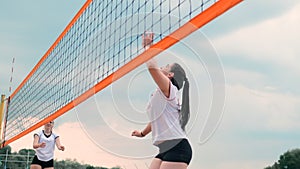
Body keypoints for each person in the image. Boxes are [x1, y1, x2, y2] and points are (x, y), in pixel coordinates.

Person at [132, 32, 192, 169]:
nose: (162, 67)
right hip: (164, 149)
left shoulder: (169, 89)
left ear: (170, 75)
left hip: (178, 148)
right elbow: (156, 119)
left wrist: (148, 47)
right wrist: (142, 133)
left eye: (166, 66)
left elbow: (151, 67)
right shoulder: (161, 94)